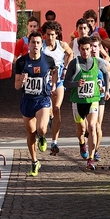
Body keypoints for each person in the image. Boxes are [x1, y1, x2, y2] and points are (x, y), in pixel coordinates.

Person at [14, 32, 58, 177]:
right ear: (29, 44)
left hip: (42, 100)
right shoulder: (21, 62)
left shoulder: (48, 60)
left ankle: (43, 136)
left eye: (38, 43)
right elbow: (16, 87)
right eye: (33, 42)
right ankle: (34, 162)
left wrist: (52, 86)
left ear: (42, 44)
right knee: (30, 133)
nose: (36, 45)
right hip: (27, 101)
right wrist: (22, 80)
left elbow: (55, 72)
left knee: (41, 129)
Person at [64, 36, 110, 170]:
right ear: (79, 49)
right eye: (83, 49)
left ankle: (90, 159)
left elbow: (106, 74)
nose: (85, 52)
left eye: (87, 49)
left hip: (93, 99)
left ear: (91, 49)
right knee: (81, 129)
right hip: (78, 101)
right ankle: (82, 143)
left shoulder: (97, 62)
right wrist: (76, 84)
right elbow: (66, 83)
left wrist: (106, 90)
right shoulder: (74, 63)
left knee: (92, 127)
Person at [41, 21, 73, 155]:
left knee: (57, 109)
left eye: (52, 35)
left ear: (57, 34)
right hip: (44, 85)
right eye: (48, 35)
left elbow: (70, 54)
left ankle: (54, 142)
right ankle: (42, 134)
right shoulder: (41, 46)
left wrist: (66, 67)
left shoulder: (62, 45)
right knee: (46, 113)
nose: (50, 37)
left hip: (59, 82)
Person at [90, 36, 110, 161]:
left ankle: (95, 150)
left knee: (98, 125)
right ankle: (87, 144)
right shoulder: (83, 63)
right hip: (87, 97)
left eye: (96, 46)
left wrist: (106, 89)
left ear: (100, 48)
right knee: (88, 127)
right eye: (91, 46)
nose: (93, 49)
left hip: (99, 97)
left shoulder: (104, 64)